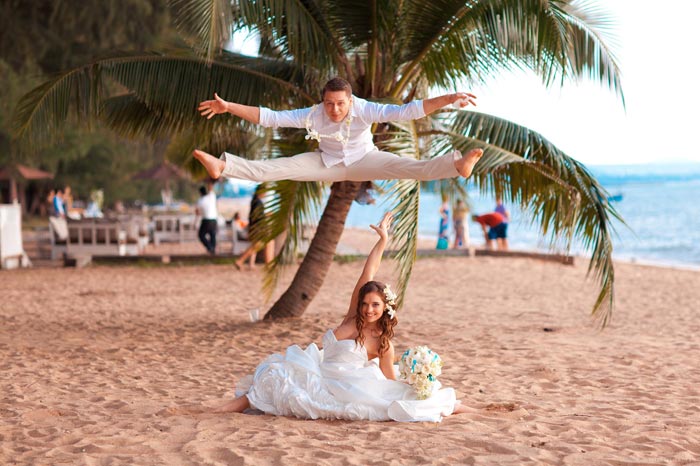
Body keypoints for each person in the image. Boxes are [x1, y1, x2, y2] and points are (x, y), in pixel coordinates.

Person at [214, 212, 469, 422]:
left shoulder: (383, 343)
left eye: (375, 305)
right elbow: (368, 271)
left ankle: (455, 405)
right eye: (366, 304)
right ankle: (220, 411)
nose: (369, 309)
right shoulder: (351, 318)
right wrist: (382, 241)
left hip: (350, 388)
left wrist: (415, 380)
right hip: (320, 374)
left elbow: (390, 380)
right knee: (276, 373)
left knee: (397, 397)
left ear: (385, 308)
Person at [192, 77, 484, 183]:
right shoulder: (313, 114)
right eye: (329, 104)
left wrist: (447, 99)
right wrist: (229, 106)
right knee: (275, 168)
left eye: (340, 104)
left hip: (364, 160)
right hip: (325, 163)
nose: (334, 110)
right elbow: (270, 117)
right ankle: (222, 166)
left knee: (410, 167)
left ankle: (457, 165)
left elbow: (405, 111)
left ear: (350, 101)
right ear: (323, 102)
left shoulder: (364, 108)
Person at [234, 186, 268, 269]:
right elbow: (258, 217)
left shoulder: (254, 201)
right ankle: (240, 260)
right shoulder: (258, 203)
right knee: (256, 245)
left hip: (253, 227)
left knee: (255, 245)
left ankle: (251, 264)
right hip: (257, 228)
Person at [196, 182, 218, 254]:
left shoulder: (200, 201)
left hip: (206, 220)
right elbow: (211, 187)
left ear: (200, 193)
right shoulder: (211, 196)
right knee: (213, 235)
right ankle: (212, 249)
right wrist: (209, 180)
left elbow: (197, 212)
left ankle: (209, 247)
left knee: (201, 235)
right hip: (214, 219)